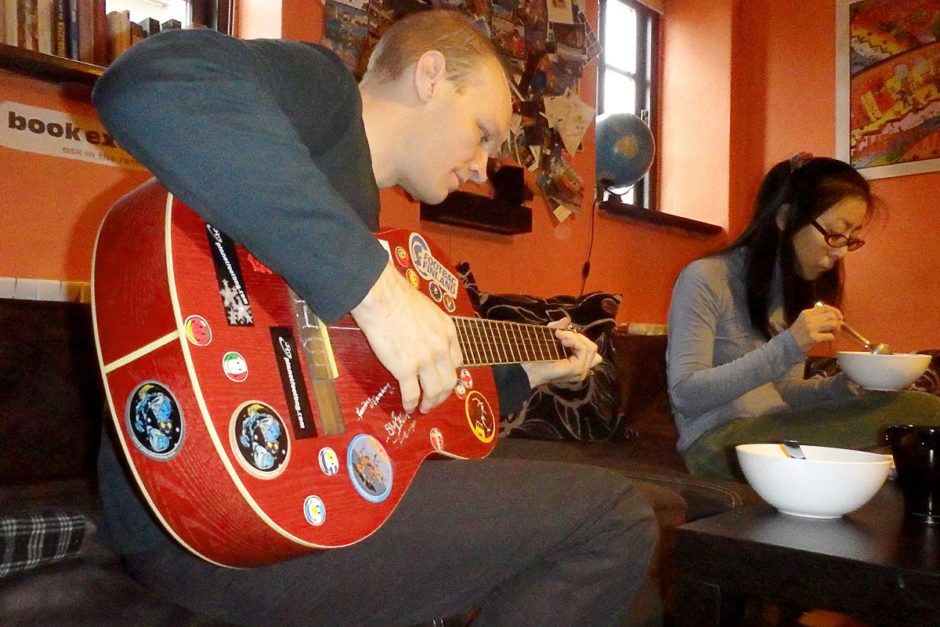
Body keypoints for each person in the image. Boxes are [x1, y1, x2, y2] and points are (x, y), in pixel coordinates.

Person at [92, 10, 657, 626]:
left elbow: (398, 412)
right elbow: (150, 80)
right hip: (210, 519)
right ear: (430, 77)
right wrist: (380, 294)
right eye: (483, 133)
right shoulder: (328, 99)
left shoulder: (364, 220)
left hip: (269, 511)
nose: (483, 168)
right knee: (614, 519)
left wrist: (525, 371)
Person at [666, 153, 940, 481]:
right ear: (785, 218)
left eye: (850, 239)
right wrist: (789, 345)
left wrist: (845, 387)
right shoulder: (706, 277)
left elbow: (785, 392)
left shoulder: (792, 290)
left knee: (919, 407)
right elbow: (685, 395)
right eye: (836, 234)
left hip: (774, 431)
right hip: (716, 444)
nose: (840, 252)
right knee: (921, 412)